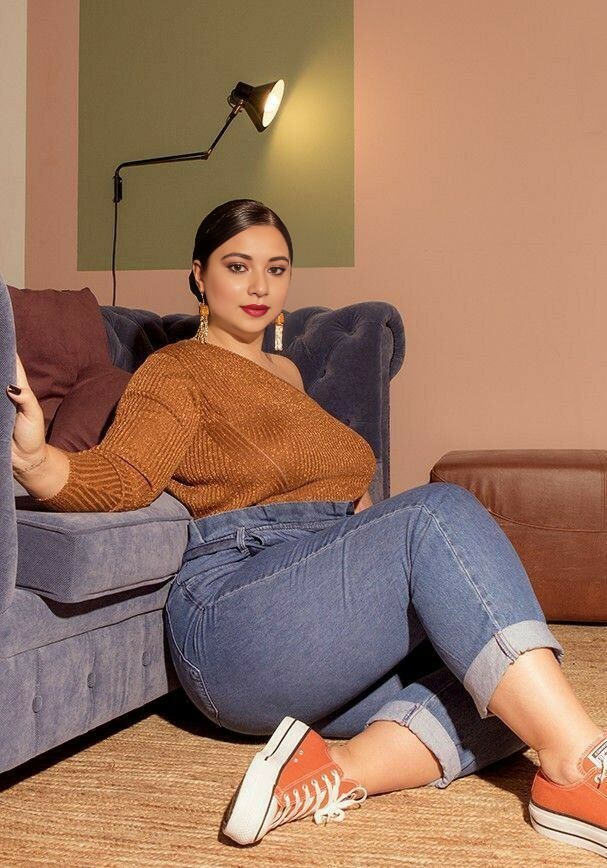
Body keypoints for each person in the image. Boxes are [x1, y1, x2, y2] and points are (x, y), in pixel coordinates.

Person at [8, 199, 607, 859]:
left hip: (318, 616)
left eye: (276, 268)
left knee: (513, 686)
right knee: (440, 510)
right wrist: (37, 462)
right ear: (200, 276)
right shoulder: (176, 370)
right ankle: (578, 767)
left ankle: (328, 771)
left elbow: (338, 499)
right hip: (235, 614)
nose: (259, 285)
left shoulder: (289, 375)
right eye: (238, 266)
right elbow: (125, 475)